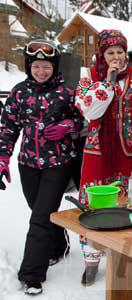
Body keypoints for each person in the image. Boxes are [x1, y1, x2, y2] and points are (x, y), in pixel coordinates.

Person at [0, 39, 82, 295]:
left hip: (59, 163)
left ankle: (32, 275)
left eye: (46, 66)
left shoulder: (67, 93)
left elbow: (83, 120)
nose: (41, 71)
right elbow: (8, 128)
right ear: (29, 66)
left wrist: (67, 126)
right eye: (36, 66)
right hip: (28, 163)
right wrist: (3, 158)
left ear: (54, 67)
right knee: (41, 210)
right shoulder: (19, 92)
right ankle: (58, 246)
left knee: (39, 218)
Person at [74, 29, 132, 285]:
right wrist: (107, 82)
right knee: (94, 206)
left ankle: (125, 257)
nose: (116, 57)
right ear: (101, 54)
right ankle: (91, 259)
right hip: (98, 152)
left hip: (131, 153)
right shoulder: (88, 76)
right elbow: (90, 111)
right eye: (110, 53)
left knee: (128, 205)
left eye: (120, 52)